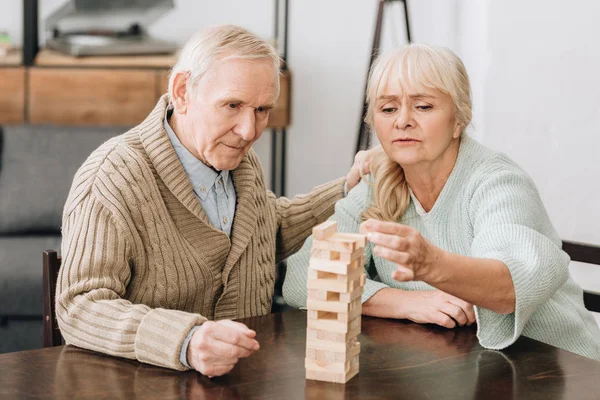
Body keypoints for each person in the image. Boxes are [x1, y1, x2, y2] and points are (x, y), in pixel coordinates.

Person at [56, 25, 369, 377]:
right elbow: (79, 307)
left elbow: (267, 230)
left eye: (262, 110)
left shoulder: (240, 161)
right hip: (148, 385)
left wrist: (347, 187)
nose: (249, 131)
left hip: (248, 381)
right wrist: (186, 340)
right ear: (182, 92)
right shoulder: (112, 175)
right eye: (232, 105)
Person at [283, 44, 600, 360]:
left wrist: (429, 265)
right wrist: (404, 303)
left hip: (558, 369)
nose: (403, 121)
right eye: (388, 108)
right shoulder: (376, 181)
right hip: (455, 366)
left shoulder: (497, 182)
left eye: (423, 106)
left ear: (459, 119)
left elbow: (508, 291)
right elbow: (304, 277)